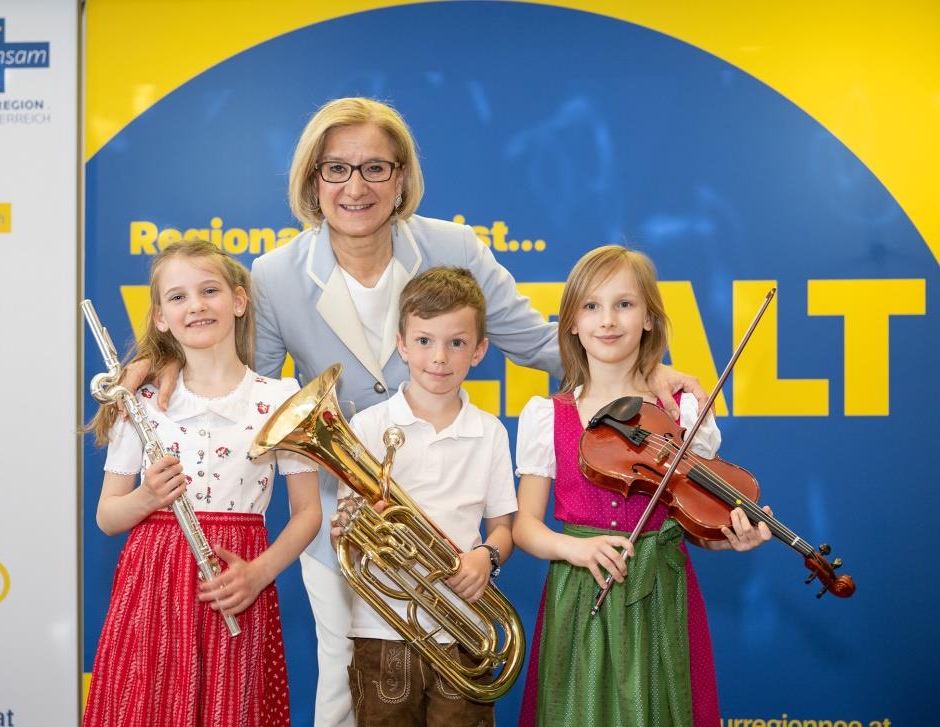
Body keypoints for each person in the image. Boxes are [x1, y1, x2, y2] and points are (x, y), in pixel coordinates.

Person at [129, 97, 706, 726]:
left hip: (449, 515)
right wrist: (158, 360)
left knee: (451, 684)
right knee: (341, 681)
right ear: (312, 181)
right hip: (341, 517)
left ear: (401, 177)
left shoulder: (453, 245)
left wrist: (647, 370)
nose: (356, 187)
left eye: (376, 167)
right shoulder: (273, 275)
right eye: (336, 169)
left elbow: (544, 344)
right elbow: (248, 384)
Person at [512, 245, 772, 727]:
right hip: (580, 593)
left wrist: (733, 538)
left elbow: (699, 521)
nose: (607, 320)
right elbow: (525, 526)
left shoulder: (681, 411)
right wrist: (575, 550)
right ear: (570, 322)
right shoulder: (547, 415)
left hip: (662, 593)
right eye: (591, 306)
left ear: (649, 318)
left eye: (624, 304)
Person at [82, 240, 321, 727]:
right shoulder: (141, 401)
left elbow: (307, 512)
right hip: (154, 584)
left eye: (209, 290)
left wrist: (259, 573)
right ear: (160, 318)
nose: (195, 305)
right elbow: (108, 516)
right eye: (177, 297)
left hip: (236, 581)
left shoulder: (282, 397)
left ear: (238, 301)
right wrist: (147, 498)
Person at [332, 267, 516, 726]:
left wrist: (486, 558)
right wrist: (354, 530)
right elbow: (348, 531)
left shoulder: (490, 432)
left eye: (456, 343)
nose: (439, 357)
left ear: (479, 351)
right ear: (401, 344)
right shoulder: (370, 428)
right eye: (424, 341)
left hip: (465, 629)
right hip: (382, 629)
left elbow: (503, 529)